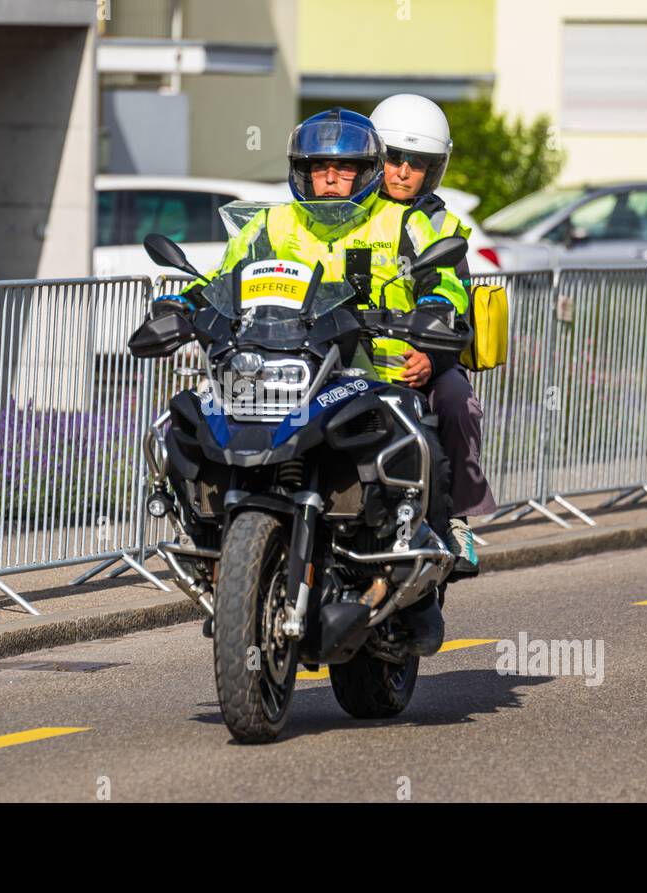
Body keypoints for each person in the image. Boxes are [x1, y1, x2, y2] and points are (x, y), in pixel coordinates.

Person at [151, 108, 467, 652]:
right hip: (279, 370)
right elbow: (224, 277)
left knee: (423, 446)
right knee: (185, 419)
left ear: (368, 170)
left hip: (369, 372)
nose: (331, 179)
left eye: (344, 170)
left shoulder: (404, 223)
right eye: (320, 167)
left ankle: (423, 584)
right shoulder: (270, 224)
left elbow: (446, 282)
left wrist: (436, 307)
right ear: (301, 170)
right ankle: (215, 549)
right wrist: (181, 302)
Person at [370, 93, 497, 573]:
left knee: (457, 400)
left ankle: (458, 519)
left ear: (434, 168)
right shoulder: (347, 217)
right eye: (393, 158)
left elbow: (456, 306)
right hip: (349, 352)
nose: (402, 171)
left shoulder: (442, 226)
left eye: (417, 162)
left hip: (422, 358)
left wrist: (432, 355)